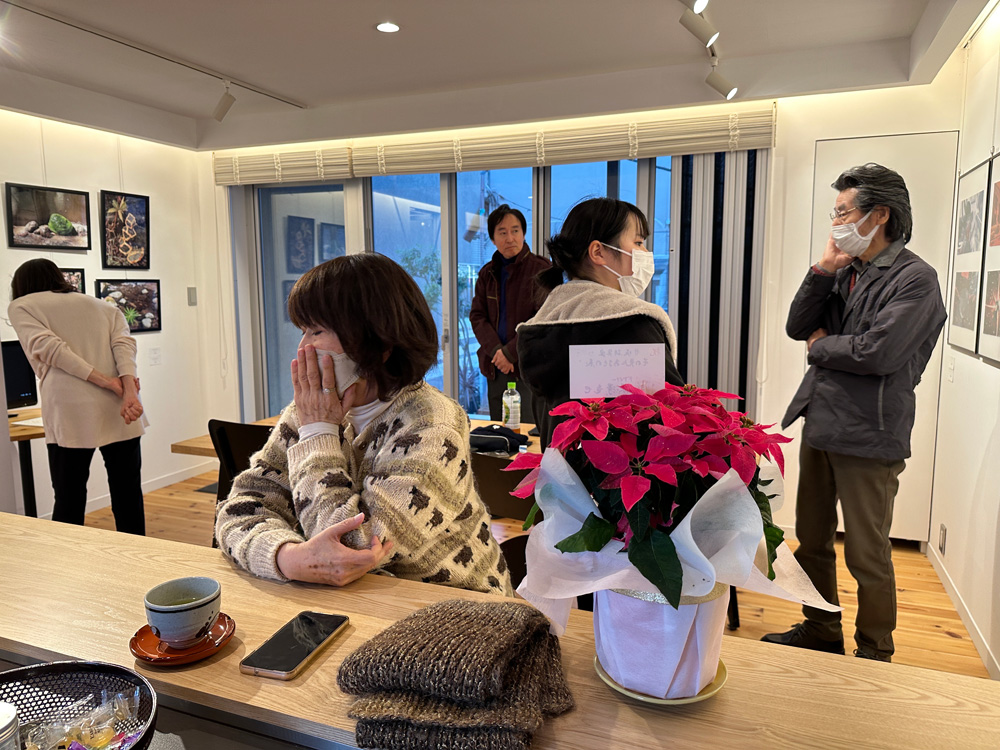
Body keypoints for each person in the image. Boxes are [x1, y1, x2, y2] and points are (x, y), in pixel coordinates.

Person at [216, 253, 513, 596]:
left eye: (316, 331)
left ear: (379, 342)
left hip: (460, 609)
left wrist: (319, 433)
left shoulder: (433, 424)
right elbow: (238, 508)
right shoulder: (307, 413)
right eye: (302, 331)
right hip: (355, 603)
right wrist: (286, 557)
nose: (303, 348)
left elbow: (350, 546)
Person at [763, 163, 946, 662]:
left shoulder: (917, 279)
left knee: (867, 552)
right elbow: (797, 325)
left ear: (879, 214)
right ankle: (821, 628)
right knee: (811, 541)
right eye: (836, 212)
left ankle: (874, 650)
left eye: (844, 212)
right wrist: (823, 269)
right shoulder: (845, 271)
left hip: (871, 432)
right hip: (822, 421)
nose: (837, 222)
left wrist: (820, 347)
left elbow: (878, 353)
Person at [516, 197, 684, 449]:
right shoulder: (632, 325)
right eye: (638, 242)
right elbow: (674, 418)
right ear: (598, 252)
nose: (645, 253)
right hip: (622, 472)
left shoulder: (544, 327)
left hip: (560, 471)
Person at [8, 258, 146, 534]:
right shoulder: (102, 305)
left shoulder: (22, 305)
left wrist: (111, 384)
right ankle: (139, 557)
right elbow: (124, 346)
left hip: (70, 409)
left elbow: (51, 350)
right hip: (121, 407)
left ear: (21, 284)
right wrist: (128, 390)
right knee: (128, 493)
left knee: (69, 496)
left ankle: (66, 557)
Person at [469, 204, 551, 421]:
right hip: (496, 367)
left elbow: (544, 320)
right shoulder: (487, 273)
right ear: (493, 239)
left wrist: (510, 353)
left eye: (515, 231)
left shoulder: (542, 269)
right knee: (501, 430)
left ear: (523, 234)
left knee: (530, 431)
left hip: (529, 368)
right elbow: (477, 316)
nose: (510, 238)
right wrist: (498, 352)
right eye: (502, 232)